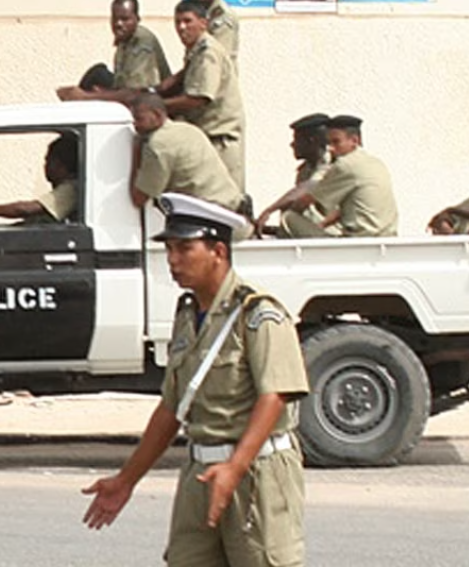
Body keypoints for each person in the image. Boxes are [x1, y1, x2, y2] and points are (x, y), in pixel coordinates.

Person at [82, 192, 309, 567]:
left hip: (256, 472)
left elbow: (276, 394)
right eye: (169, 249)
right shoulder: (188, 316)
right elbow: (173, 406)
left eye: (184, 248)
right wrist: (126, 480)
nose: (173, 260)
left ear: (218, 251)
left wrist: (236, 467)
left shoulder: (259, 314)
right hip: (201, 471)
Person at [158, 0, 246, 192]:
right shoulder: (195, 50)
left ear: (203, 23)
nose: (181, 27)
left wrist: (158, 106)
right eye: (177, 22)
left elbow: (198, 98)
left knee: (225, 203)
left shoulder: (208, 52)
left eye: (187, 21)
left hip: (220, 140)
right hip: (205, 138)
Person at [281, 114, 399, 238]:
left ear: (354, 141)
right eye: (329, 143)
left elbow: (304, 202)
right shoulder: (377, 163)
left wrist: (272, 212)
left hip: (357, 240)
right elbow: (354, 209)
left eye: (336, 142)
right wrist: (323, 224)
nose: (331, 148)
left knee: (289, 217)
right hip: (386, 236)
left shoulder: (344, 165)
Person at [127, 92, 243, 215]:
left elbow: (138, 199)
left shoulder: (159, 144)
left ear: (157, 114)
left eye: (139, 119)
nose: (135, 125)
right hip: (231, 206)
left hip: (208, 214)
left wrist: (135, 151)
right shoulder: (188, 129)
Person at [57, 0, 171, 101]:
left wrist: (87, 96)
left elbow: (136, 94)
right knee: (97, 73)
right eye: (115, 19)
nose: (118, 24)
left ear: (137, 19)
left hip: (149, 103)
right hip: (128, 91)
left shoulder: (142, 43)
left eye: (125, 19)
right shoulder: (124, 39)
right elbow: (121, 84)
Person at [0, 133, 80, 224]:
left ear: (60, 164)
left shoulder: (71, 189)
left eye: (48, 161)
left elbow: (25, 209)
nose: (45, 166)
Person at [254, 112, 331, 236]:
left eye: (297, 139)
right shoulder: (305, 169)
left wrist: (270, 210)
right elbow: (297, 205)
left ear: (311, 141)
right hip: (315, 232)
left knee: (288, 217)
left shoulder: (331, 164)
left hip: (334, 237)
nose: (292, 144)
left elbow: (309, 186)